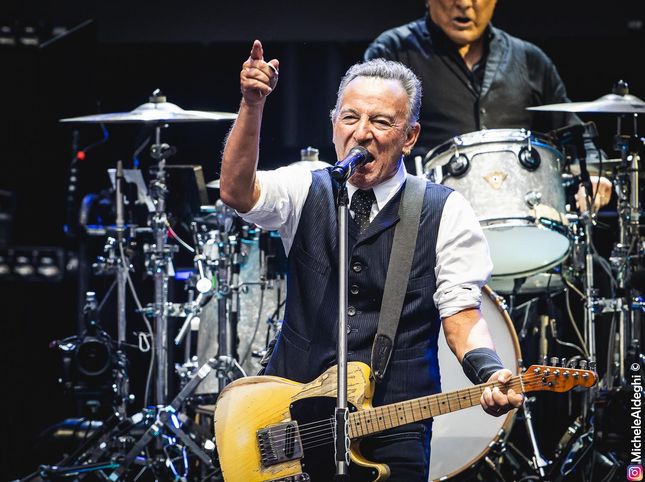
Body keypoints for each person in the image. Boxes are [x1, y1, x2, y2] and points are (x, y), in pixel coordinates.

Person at [218, 39, 523, 481]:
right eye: (350, 118)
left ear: (409, 137)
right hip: (290, 417)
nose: (362, 133)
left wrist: (489, 371)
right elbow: (235, 191)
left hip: (394, 425)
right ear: (333, 126)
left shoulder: (445, 210)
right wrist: (252, 104)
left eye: (381, 121)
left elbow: (462, 313)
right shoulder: (306, 187)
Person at [364, 0, 612, 209]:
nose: (464, 4)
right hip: (426, 215)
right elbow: (367, 136)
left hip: (521, 215)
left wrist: (592, 173)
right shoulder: (393, 52)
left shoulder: (530, 60)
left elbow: (575, 134)